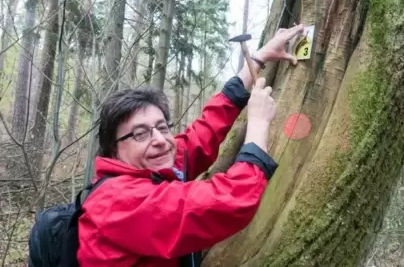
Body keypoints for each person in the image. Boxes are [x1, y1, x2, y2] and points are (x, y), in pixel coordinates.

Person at [77, 24, 305, 266]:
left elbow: (203, 132)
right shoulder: (119, 203)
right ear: (114, 149)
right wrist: (258, 123)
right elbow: (231, 201)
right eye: (140, 134)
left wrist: (258, 57)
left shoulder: (152, 169)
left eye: (163, 127)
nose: (159, 140)